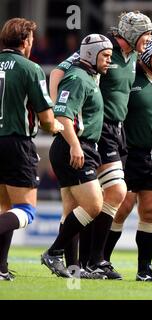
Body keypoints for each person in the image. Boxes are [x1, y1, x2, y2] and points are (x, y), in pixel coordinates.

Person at [49, 11, 152, 279]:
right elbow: (60, 71)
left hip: (118, 131)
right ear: (131, 34)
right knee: (114, 192)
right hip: (97, 130)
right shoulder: (102, 49)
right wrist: (57, 115)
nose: (149, 39)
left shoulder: (133, 57)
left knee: (81, 203)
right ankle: (91, 260)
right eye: (146, 34)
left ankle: (80, 264)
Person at [101, 35, 152, 282]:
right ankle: (101, 261)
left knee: (149, 213)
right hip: (130, 152)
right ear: (147, 55)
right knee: (121, 209)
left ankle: (144, 269)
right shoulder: (130, 77)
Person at [41, 34, 113, 278]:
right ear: (91, 56)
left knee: (71, 210)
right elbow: (62, 114)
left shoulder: (90, 76)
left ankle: (74, 269)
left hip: (81, 146)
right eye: (105, 56)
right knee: (93, 205)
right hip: (73, 147)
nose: (109, 61)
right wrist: (75, 146)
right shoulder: (78, 78)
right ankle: (53, 252)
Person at [0, 17, 63, 280]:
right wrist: (62, 128)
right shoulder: (30, 69)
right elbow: (48, 121)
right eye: (32, 40)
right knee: (26, 210)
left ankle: (0, 268)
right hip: (16, 143)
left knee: (5, 208)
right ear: (26, 41)